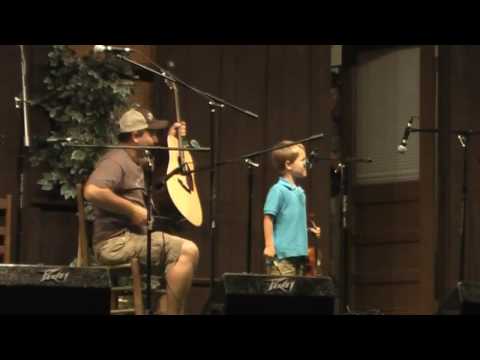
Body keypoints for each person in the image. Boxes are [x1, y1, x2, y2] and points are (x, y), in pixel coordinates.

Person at [84, 107, 199, 315]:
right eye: (151, 134)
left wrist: (172, 140)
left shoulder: (136, 160)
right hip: (114, 243)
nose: (155, 140)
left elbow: (166, 166)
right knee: (187, 250)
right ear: (136, 136)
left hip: (133, 238)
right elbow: (92, 191)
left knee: (186, 252)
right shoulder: (115, 161)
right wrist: (131, 210)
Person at [263, 140, 321, 276]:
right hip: (283, 257)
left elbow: (291, 222)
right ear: (288, 164)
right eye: (302, 160)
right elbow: (268, 218)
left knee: (296, 296)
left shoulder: (300, 193)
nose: (306, 163)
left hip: (300, 256)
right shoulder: (278, 190)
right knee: (283, 293)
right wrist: (269, 245)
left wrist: (310, 230)